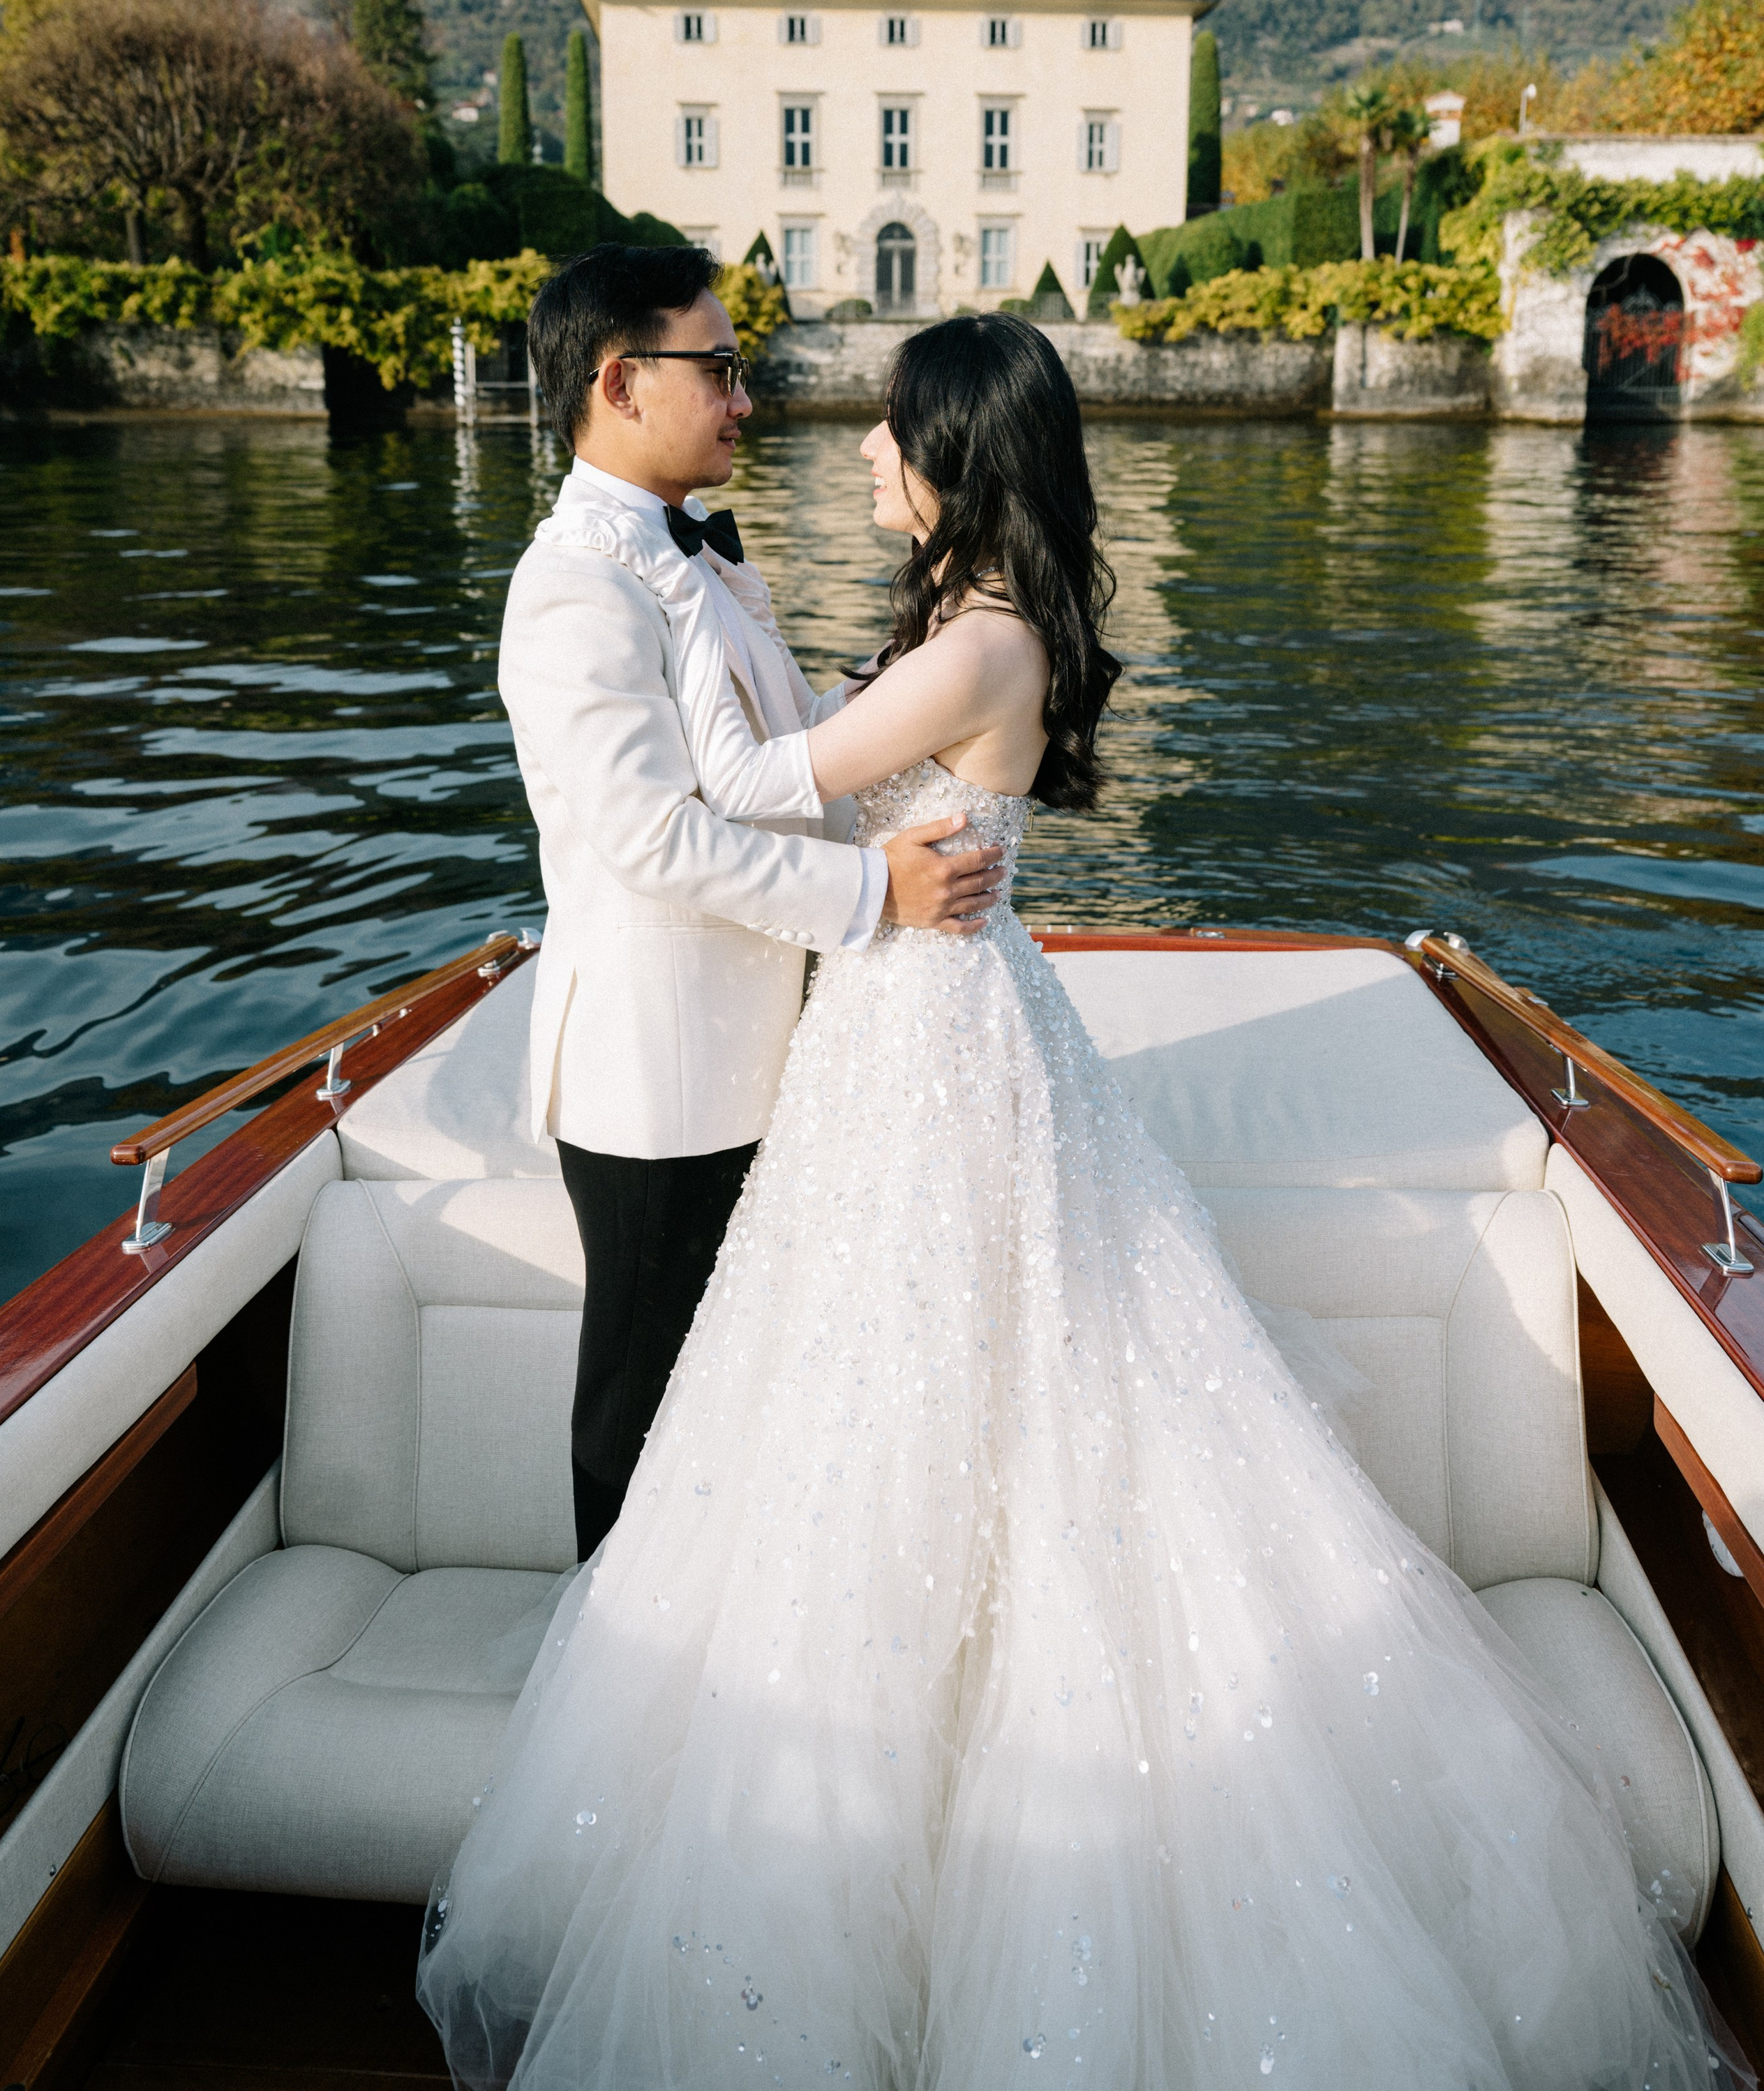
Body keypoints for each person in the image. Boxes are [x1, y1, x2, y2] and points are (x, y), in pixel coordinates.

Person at [426, 313, 1737, 2090]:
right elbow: (819, 760)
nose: (862, 454)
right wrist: (734, 654)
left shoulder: (972, 644)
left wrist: (691, 639)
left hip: (920, 1030)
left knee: (914, 1386)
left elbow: (740, 785)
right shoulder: (964, 629)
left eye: (892, 435)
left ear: (955, 457)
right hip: (925, 1015)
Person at [500, 245, 1003, 1559]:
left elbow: (770, 756)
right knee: (644, 1395)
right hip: (658, 1069)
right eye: (718, 369)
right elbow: (654, 837)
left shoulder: (703, 561)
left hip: (763, 1051)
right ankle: (609, 1670)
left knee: (732, 1390)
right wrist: (876, 890)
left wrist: (891, 699)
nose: (744, 397)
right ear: (621, 383)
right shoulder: (575, 586)